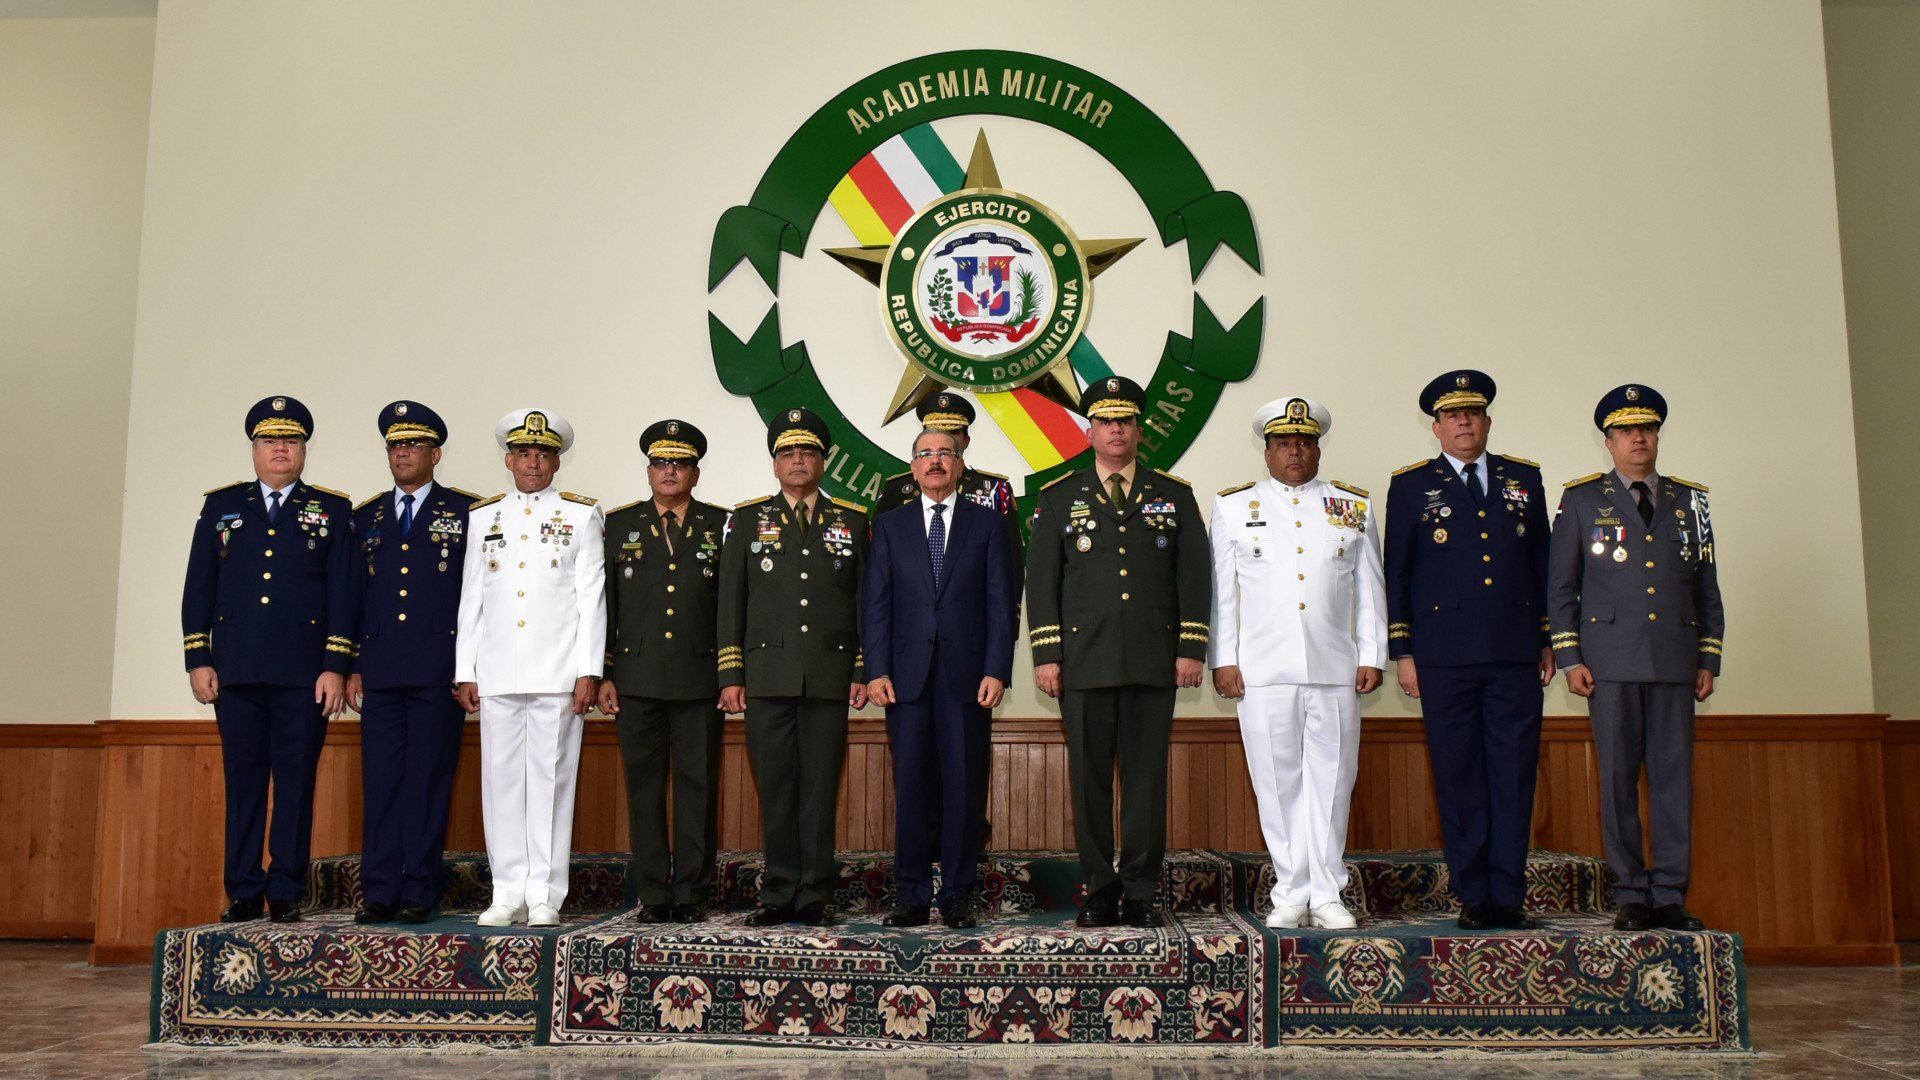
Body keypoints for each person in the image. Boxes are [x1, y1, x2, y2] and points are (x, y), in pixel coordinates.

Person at [1026, 376, 1210, 929]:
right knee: (1090, 785)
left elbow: (1193, 577)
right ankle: (1100, 891)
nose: (1116, 430)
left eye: (1125, 421)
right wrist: (1047, 654)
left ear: (1138, 430)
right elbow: (1042, 583)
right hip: (1083, 664)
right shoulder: (1059, 496)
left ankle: (1140, 892)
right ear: (1090, 431)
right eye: (1106, 421)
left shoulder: (1174, 495)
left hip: (1154, 661)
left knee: (1145, 783)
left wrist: (1191, 648)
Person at [1549, 384, 1723, 932]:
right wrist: (1571, 656)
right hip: (1609, 663)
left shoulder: (1691, 501)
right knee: (1618, 781)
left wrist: (1708, 658)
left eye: (1646, 428)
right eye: (1626, 430)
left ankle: (1669, 894)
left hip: (1675, 658)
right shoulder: (1581, 500)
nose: (1638, 438)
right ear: (1609, 442)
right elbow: (1562, 588)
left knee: (1674, 783)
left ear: (1657, 436)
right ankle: (1630, 893)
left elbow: (1707, 588)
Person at [1384, 370, 1554, 930]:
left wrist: (1548, 639)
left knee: (1514, 774)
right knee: (1459, 777)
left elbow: (1543, 565)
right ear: (1436, 428)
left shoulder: (1524, 479)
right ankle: (1474, 895)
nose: (1464, 422)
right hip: (1442, 656)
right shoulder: (1412, 485)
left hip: (1514, 652)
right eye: (1453, 415)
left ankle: (1508, 894)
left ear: (1487, 422)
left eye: (1473, 413)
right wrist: (1403, 651)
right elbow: (1397, 574)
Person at [1209, 396, 1386, 931]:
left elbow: (1370, 588)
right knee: (1276, 784)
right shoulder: (1234, 507)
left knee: (1333, 785)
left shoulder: (1351, 505)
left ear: (1318, 450)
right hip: (1262, 671)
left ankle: (1328, 893)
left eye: (1304, 442)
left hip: (1335, 668)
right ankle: (1290, 891)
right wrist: (1223, 659)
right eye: (1283, 443)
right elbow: (1222, 594)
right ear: (1266, 452)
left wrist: (1372, 653)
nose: (1295, 451)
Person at [181, 396, 354, 923]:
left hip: (305, 675)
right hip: (236, 671)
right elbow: (199, 587)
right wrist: (199, 658)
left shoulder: (332, 510)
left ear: (303, 450)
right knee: (244, 783)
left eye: (291, 440)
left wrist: (335, 666)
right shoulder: (221, 506)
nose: (280, 448)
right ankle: (242, 890)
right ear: (254, 449)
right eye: (269, 440)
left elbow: (344, 593)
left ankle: (285, 890)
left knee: (296, 784)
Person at [717, 408, 869, 927]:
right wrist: (731, 675)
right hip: (766, 676)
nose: (797, 460)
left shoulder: (852, 521)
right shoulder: (746, 520)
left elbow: (864, 603)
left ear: (823, 463)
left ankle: (814, 895)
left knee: (820, 790)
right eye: (787, 452)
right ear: (775, 464)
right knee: (776, 788)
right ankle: (779, 892)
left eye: (807, 452)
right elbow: (730, 604)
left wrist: (861, 669)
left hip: (829, 674)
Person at [454, 409, 605, 928]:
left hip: (557, 673)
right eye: (523, 453)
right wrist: (466, 669)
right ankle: (506, 892)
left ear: (557, 462)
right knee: (501, 784)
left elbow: (591, 600)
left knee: (551, 783)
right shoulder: (483, 517)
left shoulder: (581, 515)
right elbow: (472, 598)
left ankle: (544, 894)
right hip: (498, 671)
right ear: (509, 460)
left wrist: (589, 671)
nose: (533, 462)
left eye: (543, 454)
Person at [863, 426, 1017, 929]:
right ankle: (911, 896)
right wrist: (875, 670)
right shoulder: (890, 525)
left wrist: (997, 669)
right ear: (912, 467)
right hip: (904, 680)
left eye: (944, 453)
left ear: (960, 464)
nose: (935, 461)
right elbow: (876, 605)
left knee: (963, 792)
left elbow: (1002, 605)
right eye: (925, 454)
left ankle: (956, 895)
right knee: (911, 790)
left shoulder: (988, 524)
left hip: (968, 679)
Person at [347, 401, 475, 925]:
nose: (403, 453)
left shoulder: (467, 512)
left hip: (438, 670)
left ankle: (419, 888)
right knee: (380, 783)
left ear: (435, 454)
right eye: (395, 445)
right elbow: (353, 597)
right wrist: (352, 663)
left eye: (414, 444)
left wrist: (469, 668)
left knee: (427, 781)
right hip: (379, 671)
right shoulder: (366, 516)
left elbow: (477, 598)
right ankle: (379, 890)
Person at [597, 420, 728, 924]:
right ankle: (653, 891)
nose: (669, 471)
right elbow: (606, 606)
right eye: (660, 463)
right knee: (644, 788)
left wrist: (729, 675)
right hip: (636, 678)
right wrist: (605, 672)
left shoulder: (722, 524)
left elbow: (730, 606)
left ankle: (691, 890)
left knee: (698, 788)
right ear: (649, 471)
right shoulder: (619, 525)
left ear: (696, 473)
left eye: (679, 463)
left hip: (700, 678)